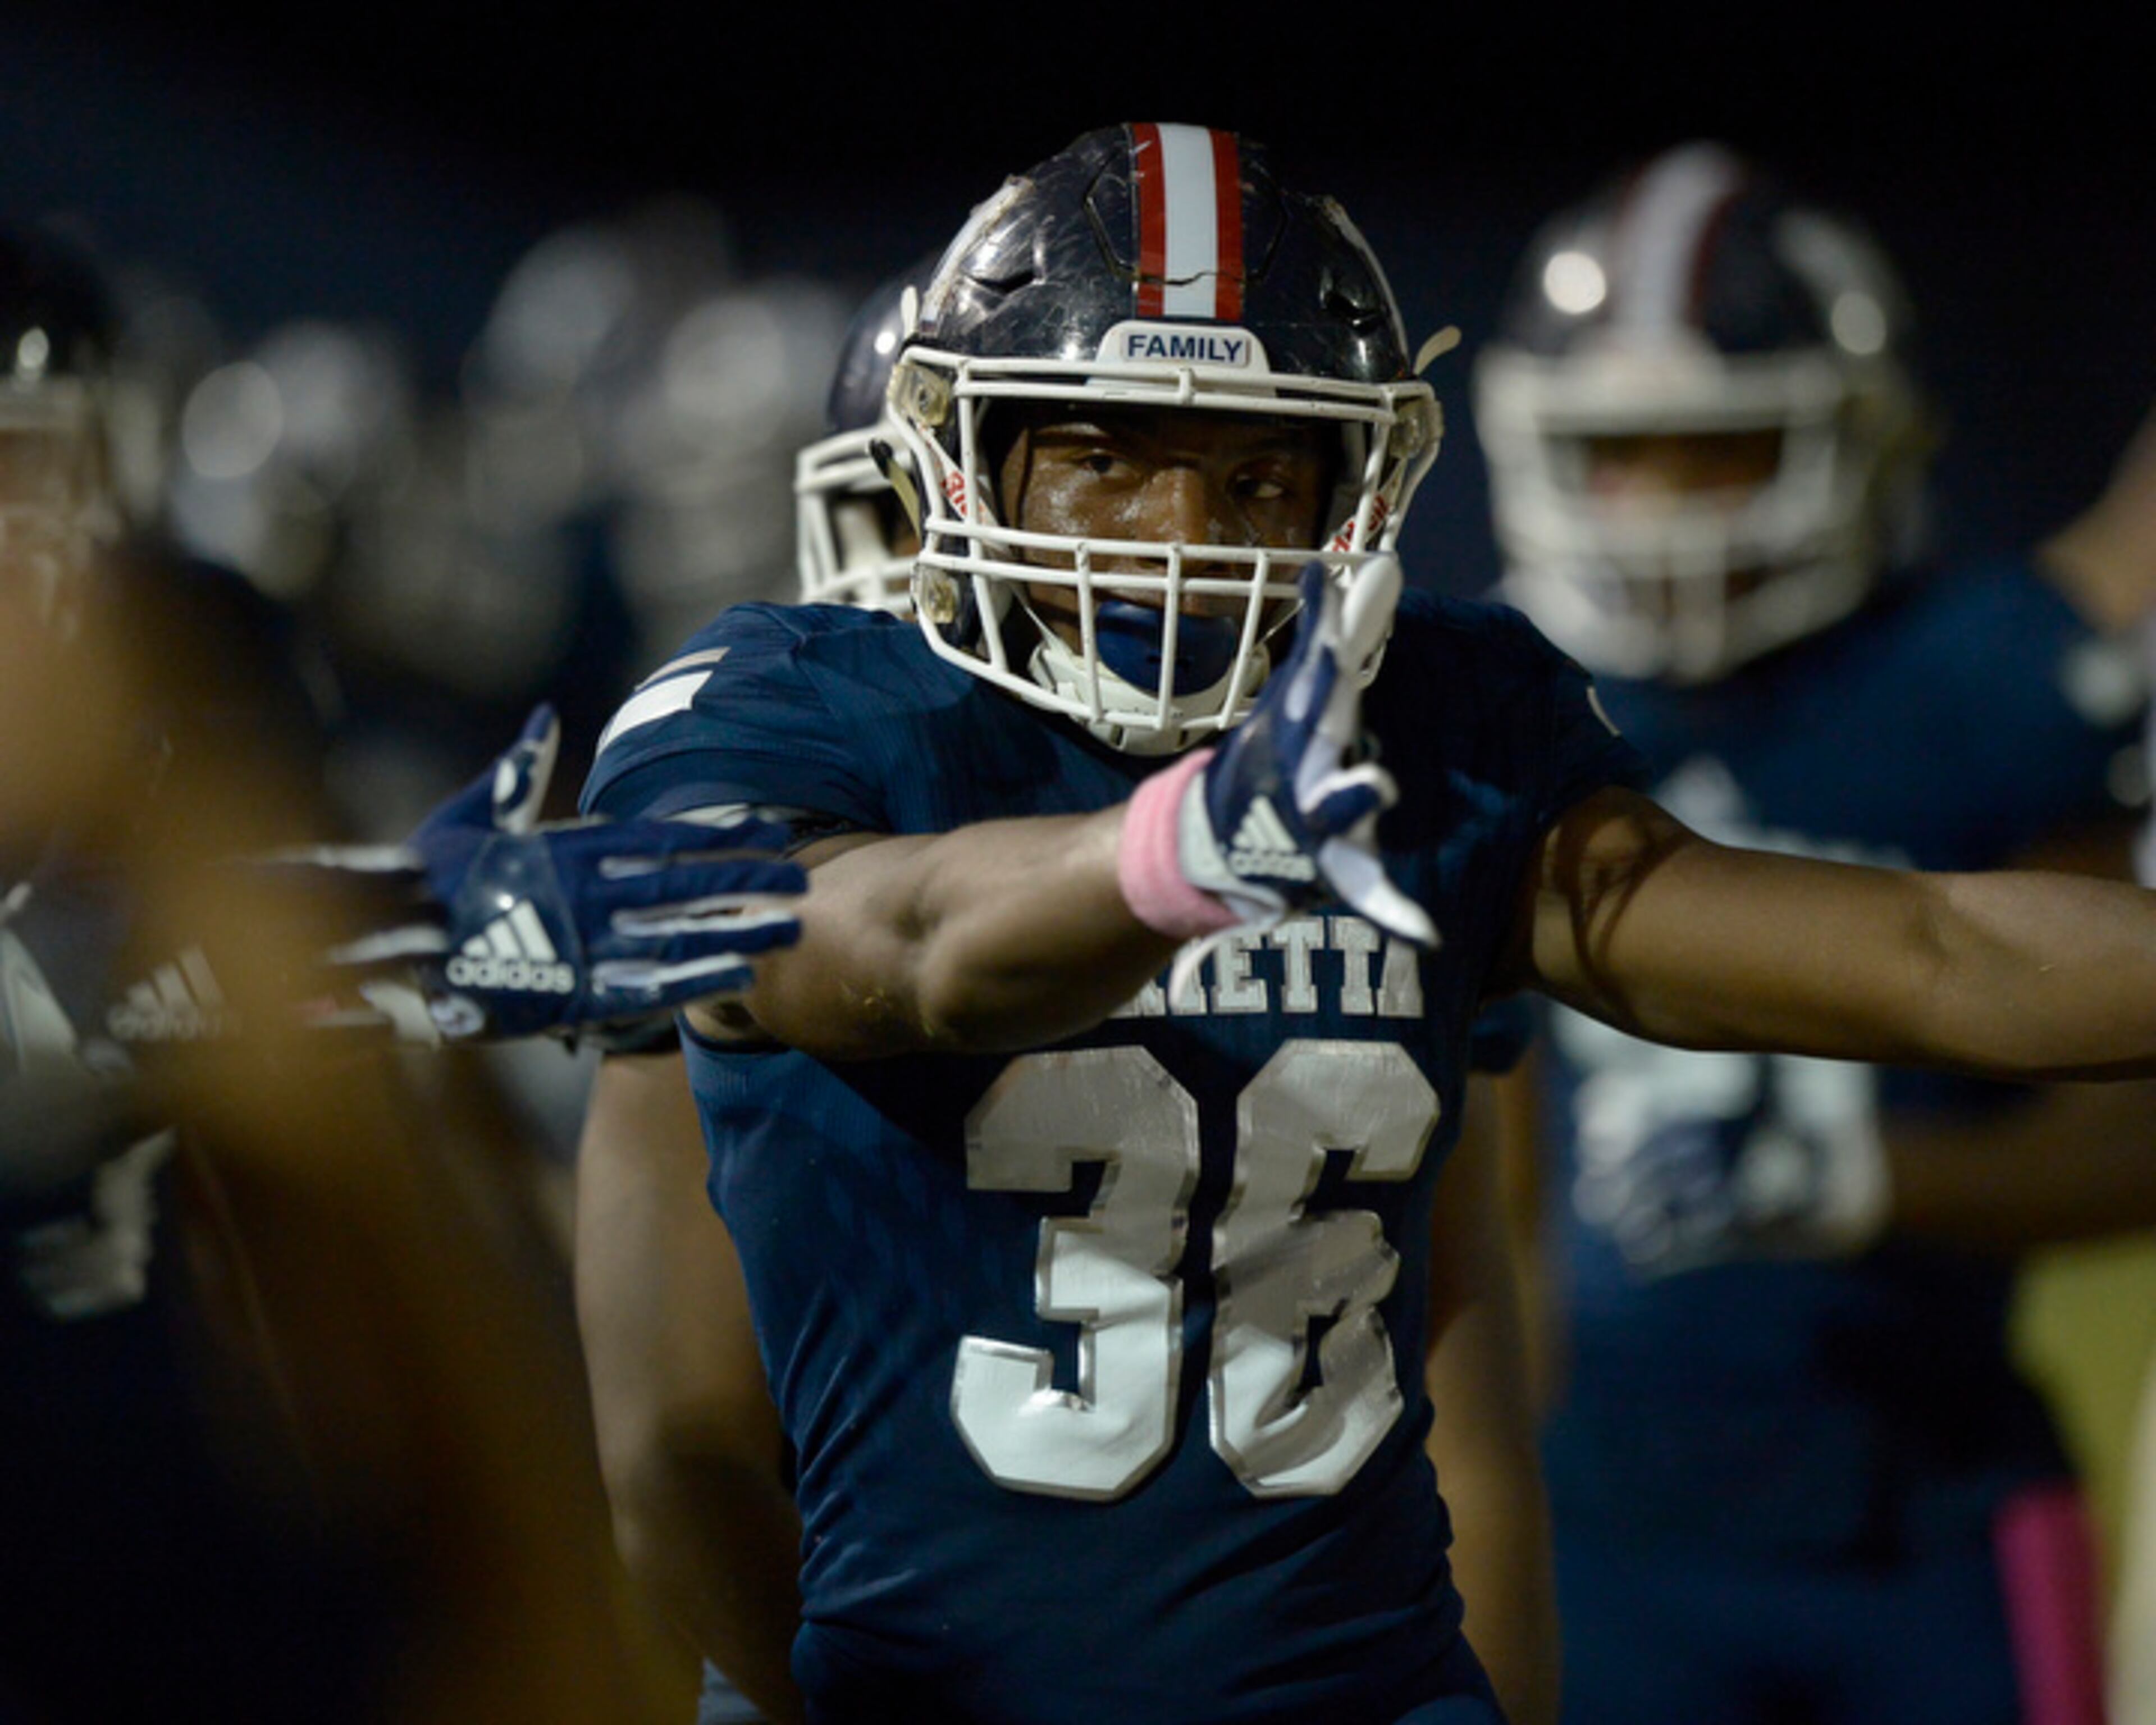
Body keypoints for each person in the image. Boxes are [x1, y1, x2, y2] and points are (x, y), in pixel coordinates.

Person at [580, 121, 2156, 1725]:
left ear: (1362, 479)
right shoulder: (783, 710)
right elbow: (886, 958)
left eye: (1258, 472)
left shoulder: (1437, 728)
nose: (1177, 535)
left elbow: (1937, 955)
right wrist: (1178, 849)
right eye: (1102, 457)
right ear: (956, 459)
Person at [0, 217, 810, 1721]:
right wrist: (354, 936)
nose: (29, 555)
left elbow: (418, 1185)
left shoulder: (195, 667)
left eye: (41, 486)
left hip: (179, 1448)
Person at [1470, 140, 2156, 1725]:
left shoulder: (1973, 692)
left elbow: (2135, 1135)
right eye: (1613, 454)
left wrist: (1868, 1178)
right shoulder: (1494, 707)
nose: (1651, 510)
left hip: (1931, 1523)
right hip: (1605, 1533)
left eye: (1713, 453)